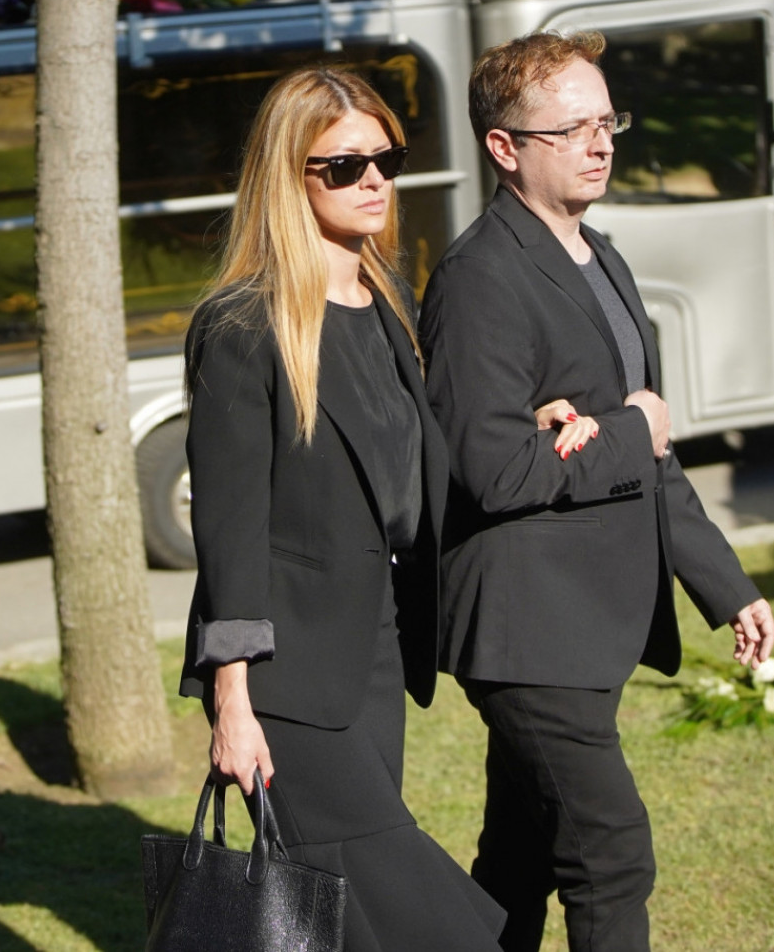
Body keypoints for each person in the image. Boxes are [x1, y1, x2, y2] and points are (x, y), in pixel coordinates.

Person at [418, 31, 774, 952]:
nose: (601, 142)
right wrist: (626, 429)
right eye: (572, 128)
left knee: (520, 857)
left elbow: (650, 452)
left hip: (585, 623)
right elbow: (492, 467)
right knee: (610, 855)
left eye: (608, 121)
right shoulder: (478, 279)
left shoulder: (601, 254)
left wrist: (725, 583)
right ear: (504, 147)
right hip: (529, 630)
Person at [179, 67, 505, 951]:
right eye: (344, 166)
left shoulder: (387, 300)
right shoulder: (244, 325)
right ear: (289, 175)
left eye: (387, 159)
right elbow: (230, 529)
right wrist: (232, 701)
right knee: (423, 915)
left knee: (347, 915)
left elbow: (414, 465)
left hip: (374, 657)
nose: (374, 181)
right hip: (282, 676)